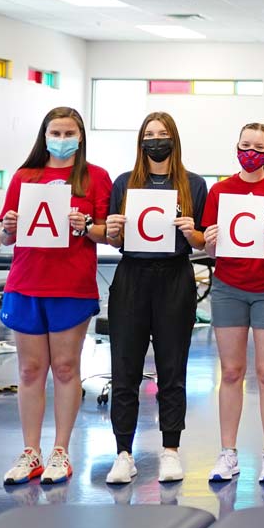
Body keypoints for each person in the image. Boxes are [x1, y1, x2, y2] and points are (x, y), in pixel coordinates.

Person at [0, 107, 112, 485]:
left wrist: (87, 226)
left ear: (81, 137)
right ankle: (31, 451)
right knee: (30, 371)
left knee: (65, 368)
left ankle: (61, 450)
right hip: (26, 283)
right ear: (44, 135)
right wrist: (8, 227)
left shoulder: (95, 178)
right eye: (56, 132)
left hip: (71, 286)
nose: (62, 140)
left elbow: (107, 234)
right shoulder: (24, 176)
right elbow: (4, 236)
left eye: (69, 133)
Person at [103, 112, 207, 484]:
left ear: (174, 140)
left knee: (172, 367)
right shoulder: (124, 183)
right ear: (140, 141)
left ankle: (170, 450)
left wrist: (193, 232)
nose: (156, 140)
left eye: (163, 134)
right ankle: (123, 453)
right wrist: (112, 231)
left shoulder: (193, 185)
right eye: (150, 134)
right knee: (125, 369)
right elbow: (113, 239)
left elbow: (203, 243)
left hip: (175, 277)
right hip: (132, 276)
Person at [201, 123, 264, 484]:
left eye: (259, 147)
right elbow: (210, 248)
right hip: (229, 286)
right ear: (236, 147)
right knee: (230, 372)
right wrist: (209, 240)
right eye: (246, 145)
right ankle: (228, 453)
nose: (251, 152)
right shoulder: (221, 191)